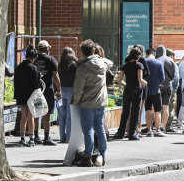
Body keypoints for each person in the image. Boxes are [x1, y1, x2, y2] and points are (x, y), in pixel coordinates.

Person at [72, 39, 109, 167]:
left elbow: (78, 89)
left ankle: (87, 157)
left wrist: (76, 101)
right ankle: (102, 156)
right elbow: (110, 63)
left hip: (87, 103)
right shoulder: (103, 64)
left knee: (88, 130)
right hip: (100, 102)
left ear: (82, 52)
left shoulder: (82, 68)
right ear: (94, 50)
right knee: (100, 128)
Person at [114, 47, 147, 140]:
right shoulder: (139, 65)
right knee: (135, 111)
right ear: (138, 56)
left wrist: (127, 85)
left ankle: (120, 133)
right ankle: (132, 134)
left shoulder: (125, 66)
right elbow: (140, 80)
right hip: (136, 89)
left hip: (128, 89)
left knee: (125, 111)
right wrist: (146, 83)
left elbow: (119, 80)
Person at [33, 40, 62, 145]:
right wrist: (59, 90)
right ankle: (46, 137)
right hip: (48, 90)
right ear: (47, 48)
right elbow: (56, 76)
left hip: (36, 90)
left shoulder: (34, 58)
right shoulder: (51, 59)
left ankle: (36, 136)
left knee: (36, 113)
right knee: (47, 114)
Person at [14, 45, 43, 147]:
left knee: (23, 116)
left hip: (21, 95)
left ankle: (22, 138)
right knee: (31, 117)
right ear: (34, 57)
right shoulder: (34, 68)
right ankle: (31, 138)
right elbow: (36, 84)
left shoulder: (18, 67)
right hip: (31, 96)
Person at [144, 48, 166, 137]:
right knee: (158, 111)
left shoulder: (143, 62)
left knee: (148, 109)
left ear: (146, 54)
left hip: (145, 90)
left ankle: (149, 130)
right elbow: (162, 79)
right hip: (156, 90)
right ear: (155, 54)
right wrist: (157, 83)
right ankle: (157, 130)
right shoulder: (159, 63)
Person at [57, 47, 77, 143]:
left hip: (60, 90)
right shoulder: (73, 65)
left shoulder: (59, 65)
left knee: (61, 115)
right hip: (71, 90)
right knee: (69, 115)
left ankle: (62, 137)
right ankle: (68, 137)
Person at [156, 45, 176, 133]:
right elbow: (174, 75)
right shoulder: (170, 60)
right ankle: (164, 127)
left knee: (157, 108)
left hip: (158, 86)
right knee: (166, 107)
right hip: (168, 86)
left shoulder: (157, 60)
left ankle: (157, 126)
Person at [165, 48, 180, 132]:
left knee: (162, 107)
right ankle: (167, 126)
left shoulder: (161, 62)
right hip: (171, 89)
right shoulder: (173, 64)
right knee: (170, 107)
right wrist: (175, 88)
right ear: (171, 55)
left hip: (162, 88)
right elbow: (176, 78)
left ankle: (160, 125)